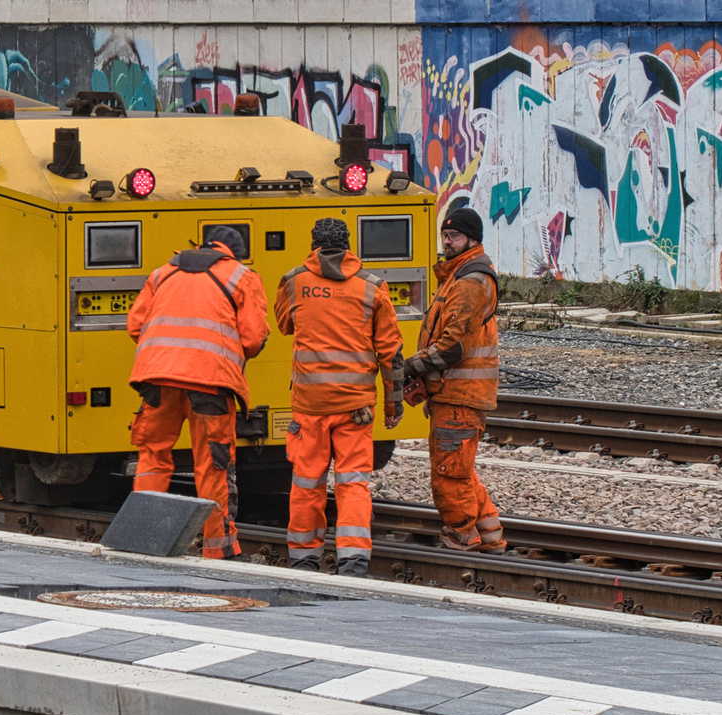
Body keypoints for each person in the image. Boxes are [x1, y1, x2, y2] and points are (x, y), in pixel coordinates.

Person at [125, 225, 269, 559]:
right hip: (209, 383)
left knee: (153, 457)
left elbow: (135, 325)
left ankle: (142, 541)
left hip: (157, 378)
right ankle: (218, 549)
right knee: (212, 464)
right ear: (233, 252)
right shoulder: (241, 276)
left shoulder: (163, 272)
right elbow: (252, 338)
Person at [275, 218, 402, 577]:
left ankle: (303, 555)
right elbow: (391, 353)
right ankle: (353, 559)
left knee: (306, 481)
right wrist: (394, 405)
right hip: (356, 407)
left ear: (314, 245)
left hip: (309, 406)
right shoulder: (373, 287)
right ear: (348, 246)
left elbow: (284, 324)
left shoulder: (293, 281)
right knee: (353, 483)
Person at [399, 207, 505, 553]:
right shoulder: (460, 276)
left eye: (455, 236)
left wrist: (410, 366)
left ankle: (461, 536)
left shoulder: (469, 281)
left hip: (460, 393)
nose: (447, 241)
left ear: (472, 239)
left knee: (449, 472)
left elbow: (453, 346)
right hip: (456, 392)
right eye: (445, 235)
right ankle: (490, 537)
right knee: (461, 468)